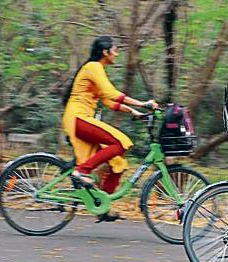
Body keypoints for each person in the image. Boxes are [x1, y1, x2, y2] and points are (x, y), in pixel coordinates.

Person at [62, 36, 158, 222]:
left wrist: (134, 112)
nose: (117, 53)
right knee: (120, 142)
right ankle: (81, 171)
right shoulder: (93, 67)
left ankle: (101, 206)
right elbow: (111, 93)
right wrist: (143, 103)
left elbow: (108, 101)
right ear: (105, 52)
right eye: (115, 50)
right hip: (77, 117)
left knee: (118, 164)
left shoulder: (98, 69)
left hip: (83, 119)